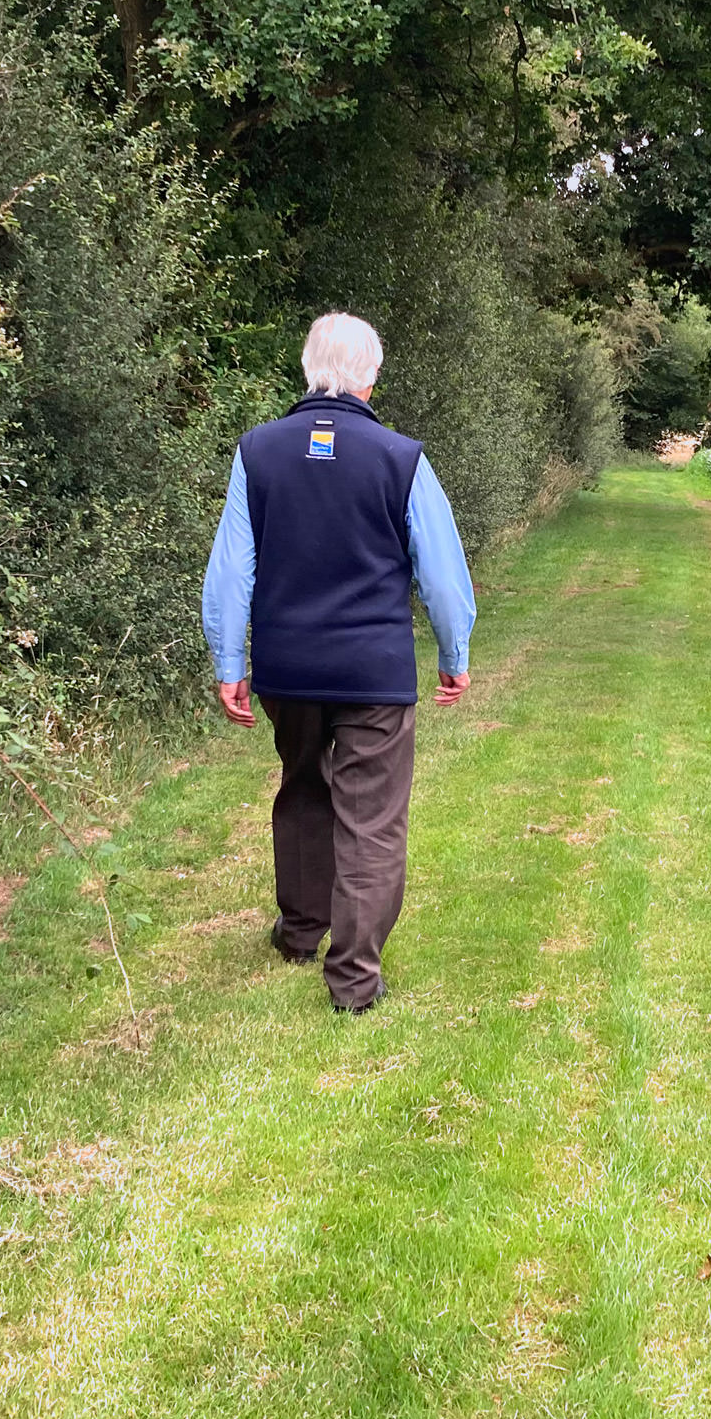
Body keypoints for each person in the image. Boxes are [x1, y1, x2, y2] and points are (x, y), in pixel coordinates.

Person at [200, 313, 475, 1013]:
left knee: (301, 787)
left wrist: (230, 658)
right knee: (371, 818)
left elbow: (233, 568)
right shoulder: (401, 457)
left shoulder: (256, 452)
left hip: (287, 669)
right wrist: (454, 651)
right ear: (371, 375)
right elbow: (440, 575)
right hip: (374, 671)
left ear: (306, 368)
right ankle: (353, 978)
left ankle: (299, 931)